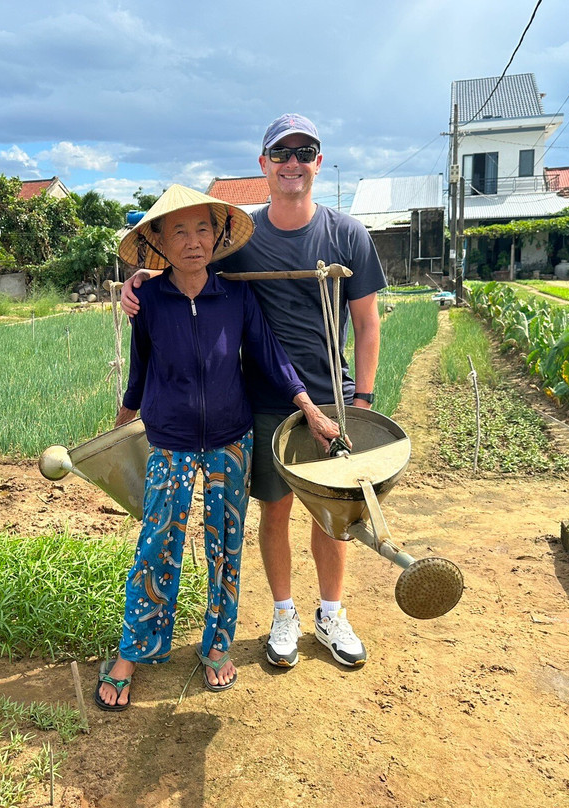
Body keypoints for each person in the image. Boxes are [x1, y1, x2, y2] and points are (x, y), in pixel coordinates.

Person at [122, 113, 386, 670]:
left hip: (332, 398)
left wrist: (361, 402)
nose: (293, 163)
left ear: (318, 161)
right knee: (274, 511)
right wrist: (138, 282)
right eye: (281, 154)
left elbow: (366, 322)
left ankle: (331, 614)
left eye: (304, 152)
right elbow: (183, 267)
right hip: (260, 403)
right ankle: (284, 614)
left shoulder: (348, 234)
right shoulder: (243, 241)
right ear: (263, 164)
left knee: (333, 516)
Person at [95, 184, 340, 711]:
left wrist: (313, 412)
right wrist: (117, 431)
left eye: (203, 228)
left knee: (226, 548)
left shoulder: (237, 296)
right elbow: (139, 375)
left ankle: (217, 646)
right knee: (156, 546)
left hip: (232, 440)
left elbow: (272, 359)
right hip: (170, 444)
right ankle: (131, 654)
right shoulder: (151, 302)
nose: (192, 241)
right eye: (178, 230)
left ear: (218, 235)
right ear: (158, 241)